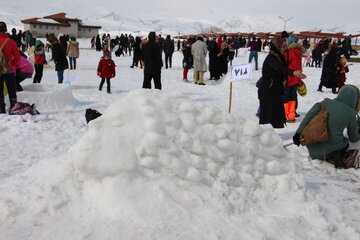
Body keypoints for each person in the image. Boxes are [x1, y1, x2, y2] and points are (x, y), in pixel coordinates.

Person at [293, 85, 360, 169]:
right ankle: (336, 155)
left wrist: (298, 133)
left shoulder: (324, 103)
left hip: (312, 147)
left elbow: (307, 118)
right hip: (331, 149)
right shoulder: (351, 113)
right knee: (345, 142)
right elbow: (354, 138)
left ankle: (327, 154)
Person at [257, 36, 306, 128]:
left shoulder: (279, 57)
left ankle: (271, 136)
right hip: (268, 90)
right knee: (268, 116)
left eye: (285, 46)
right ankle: (265, 137)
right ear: (277, 46)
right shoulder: (272, 57)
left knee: (276, 114)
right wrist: (293, 73)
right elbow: (280, 69)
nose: (284, 49)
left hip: (274, 90)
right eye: (283, 46)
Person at [283, 34, 306, 122]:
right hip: (296, 78)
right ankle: (291, 116)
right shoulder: (298, 51)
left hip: (289, 78)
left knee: (285, 98)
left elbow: (284, 64)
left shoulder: (289, 51)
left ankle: (284, 115)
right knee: (292, 98)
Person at [0, 21, 21, 113]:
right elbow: (17, 57)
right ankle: (13, 108)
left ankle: (1, 108)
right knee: (11, 90)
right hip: (8, 69)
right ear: (5, 30)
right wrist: (10, 64)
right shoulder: (11, 42)